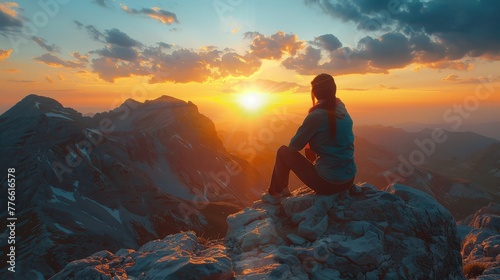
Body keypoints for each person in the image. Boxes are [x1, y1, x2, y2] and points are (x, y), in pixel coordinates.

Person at [262, 73, 356, 204]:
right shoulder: (341, 108)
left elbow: (293, 147)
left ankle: (276, 192)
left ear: (315, 93)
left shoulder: (317, 116)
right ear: (333, 89)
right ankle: (279, 191)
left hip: (329, 184)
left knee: (283, 152)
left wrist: (308, 140)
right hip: (349, 179)